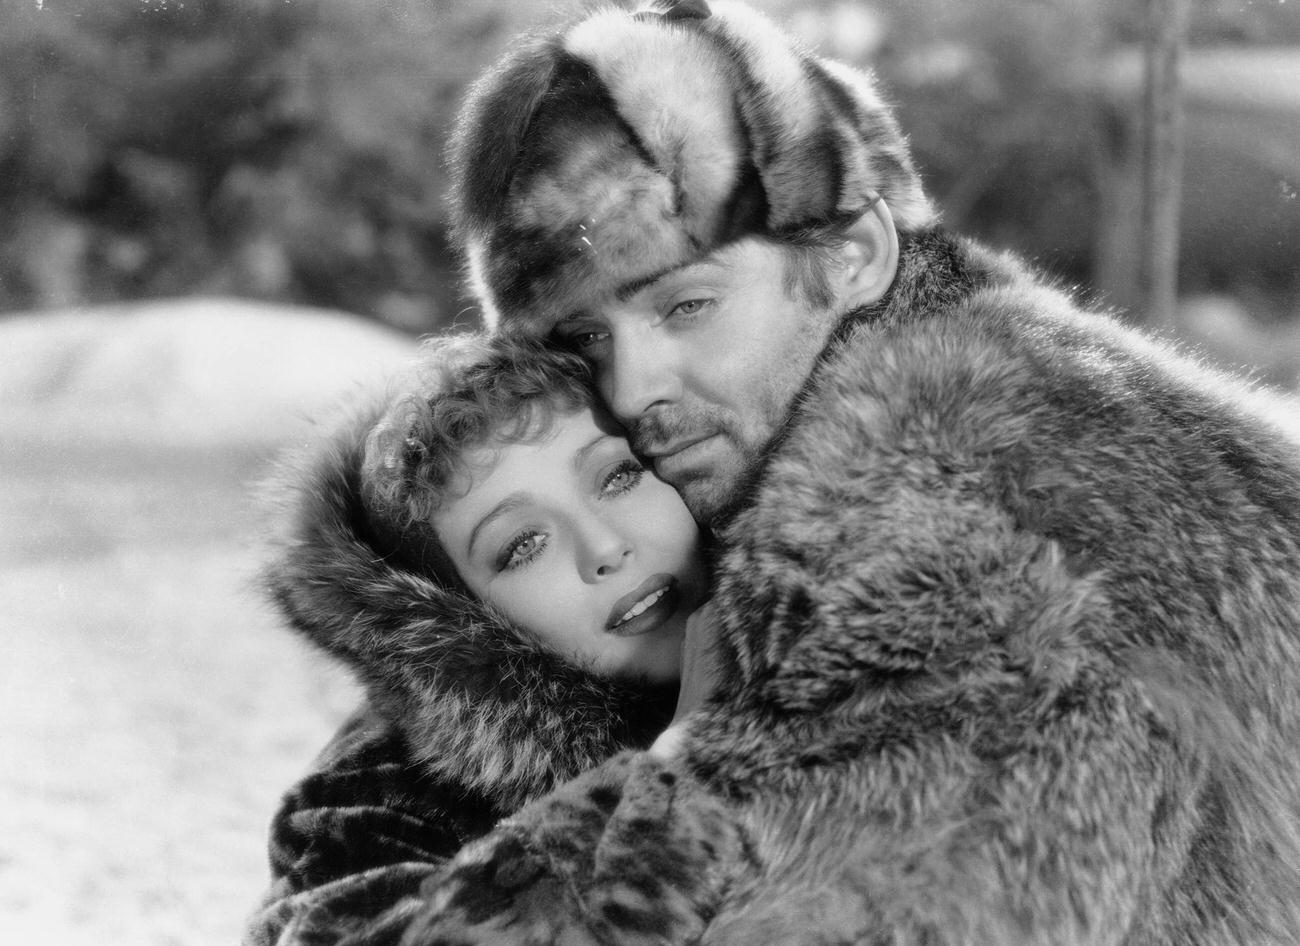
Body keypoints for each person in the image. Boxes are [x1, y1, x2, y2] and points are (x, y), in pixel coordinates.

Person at [390, 1, 1300, 943]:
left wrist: (669, 774)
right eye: (582, 336)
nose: (633, 389)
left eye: (686, 306)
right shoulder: (1054, 390)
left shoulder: (926, 528)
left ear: (855, 255)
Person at [244, 332, 709, 945]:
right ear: (463, 615)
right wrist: (676, 782)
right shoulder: (377, 799)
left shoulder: (836, 621)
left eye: (619, 477)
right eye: (524, 545)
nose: (604, 547)